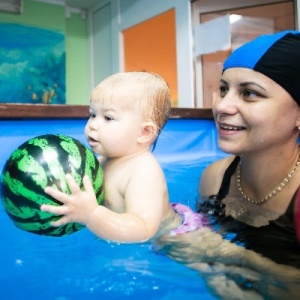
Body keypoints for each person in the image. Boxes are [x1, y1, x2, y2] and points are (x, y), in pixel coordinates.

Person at [155, 31, 300, 298]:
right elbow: (207, 246)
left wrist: (224, 251)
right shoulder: (215, 178)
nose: (222, 105)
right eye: (223, 89)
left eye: (249, 93)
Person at [41, 72, 203, 243]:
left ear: (144, 132)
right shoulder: (101, 160)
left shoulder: (143, 171)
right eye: (93, 114)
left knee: (215, 263)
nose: (93, 125)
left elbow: (143, 230)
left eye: (108, 117)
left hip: (175, 238)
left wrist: (91, 215)